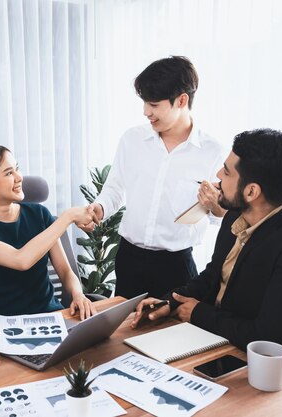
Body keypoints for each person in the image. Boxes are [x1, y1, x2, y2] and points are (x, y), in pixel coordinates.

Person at [131, 129, 282, 371]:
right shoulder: (237, 214)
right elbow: (213, 274)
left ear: (251, 191)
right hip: (213, 341)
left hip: (259, 369)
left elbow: (271, 339)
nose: (218, 175)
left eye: (227, 171)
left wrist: (198, 313)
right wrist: (170, 302)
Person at [80, 56, 226, 299]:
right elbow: (114, 188)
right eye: (145, 103)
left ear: (182, 100)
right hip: (129, 258)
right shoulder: (132, 140)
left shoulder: (214, 152)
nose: (146, 112)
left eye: (154, 104)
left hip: (176, 265)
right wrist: (99, 207)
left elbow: (221, 216)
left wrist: (216, 206)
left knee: (175, 334)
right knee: (122, 332)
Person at [0, 144, 98, 326]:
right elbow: (21, 260)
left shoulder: (39, 214)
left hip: (52, 317)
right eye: (9, 173)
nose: (19, 177)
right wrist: (68, 217)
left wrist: (78, 295)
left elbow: (65, 271)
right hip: (7, 325)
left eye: (17, 169)